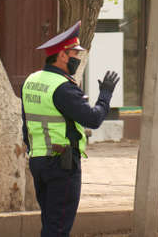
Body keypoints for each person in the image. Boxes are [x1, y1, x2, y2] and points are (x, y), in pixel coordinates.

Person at [21, 20, 120, 237]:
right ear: (62, 55)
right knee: (58, 229)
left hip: (38, 161)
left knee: (50, 222)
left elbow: (25, 125)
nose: (78, 58)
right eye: (75, 53)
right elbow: (93, 119)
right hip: (62, 164)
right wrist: (105, 95)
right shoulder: (63, 88)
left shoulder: (31, 81)